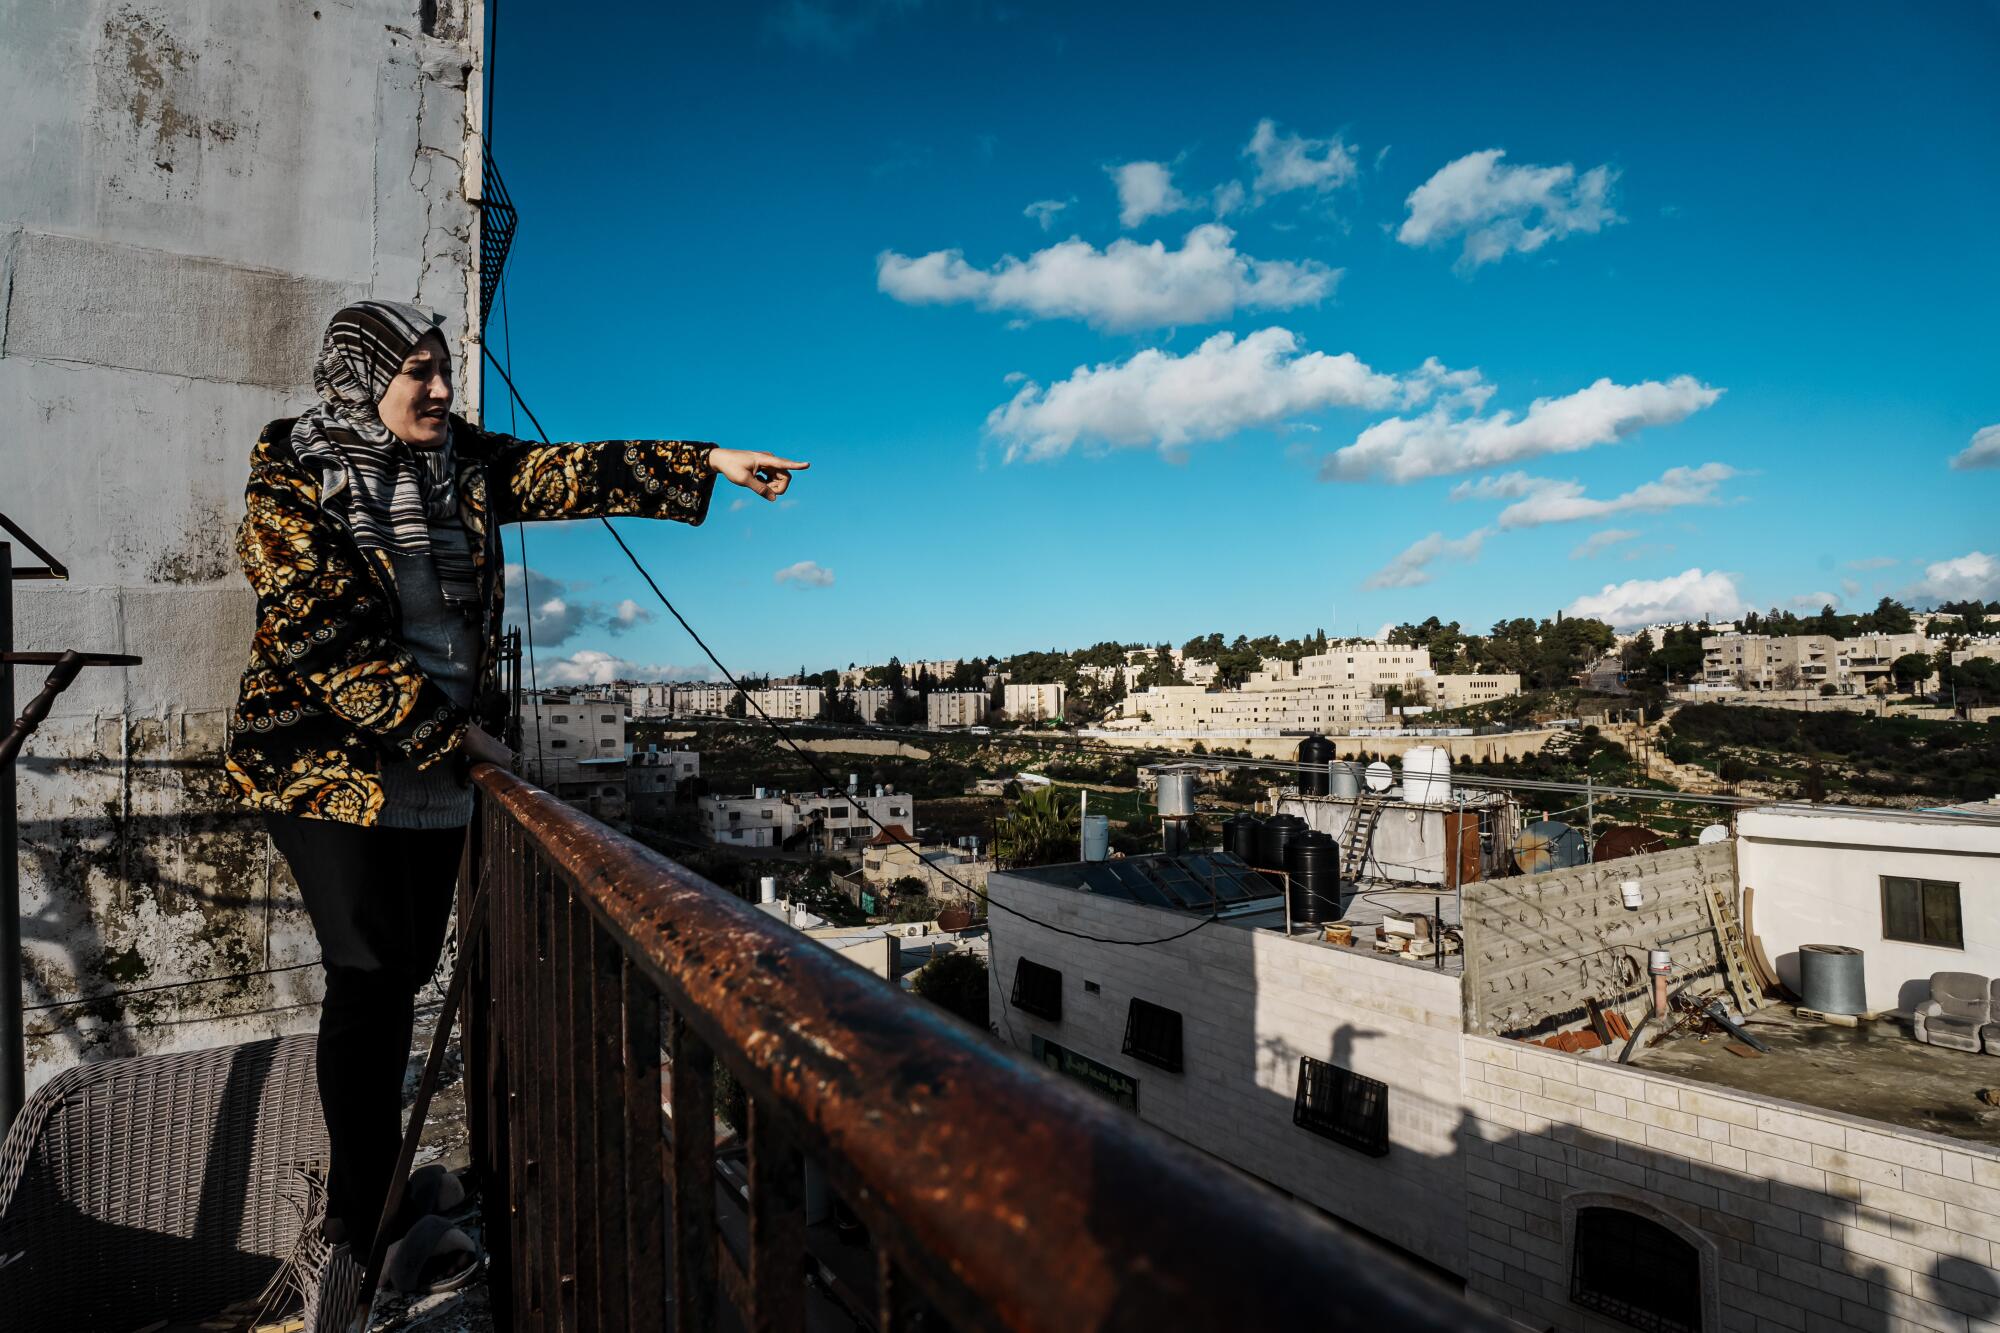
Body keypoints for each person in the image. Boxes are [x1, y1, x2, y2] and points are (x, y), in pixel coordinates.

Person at [224, 300, 805, 1273]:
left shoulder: (462, 468)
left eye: (444, 368)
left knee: (401, 974)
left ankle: (378, 1183)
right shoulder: (294, 480)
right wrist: (458, 737)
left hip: (440, 764)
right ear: (358, 378)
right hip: (328, 765)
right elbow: (319, 640)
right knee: (366, 977)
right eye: (418, 372)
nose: (442, 389)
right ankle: (361, 1232)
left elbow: (573, 470)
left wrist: (711, 459)